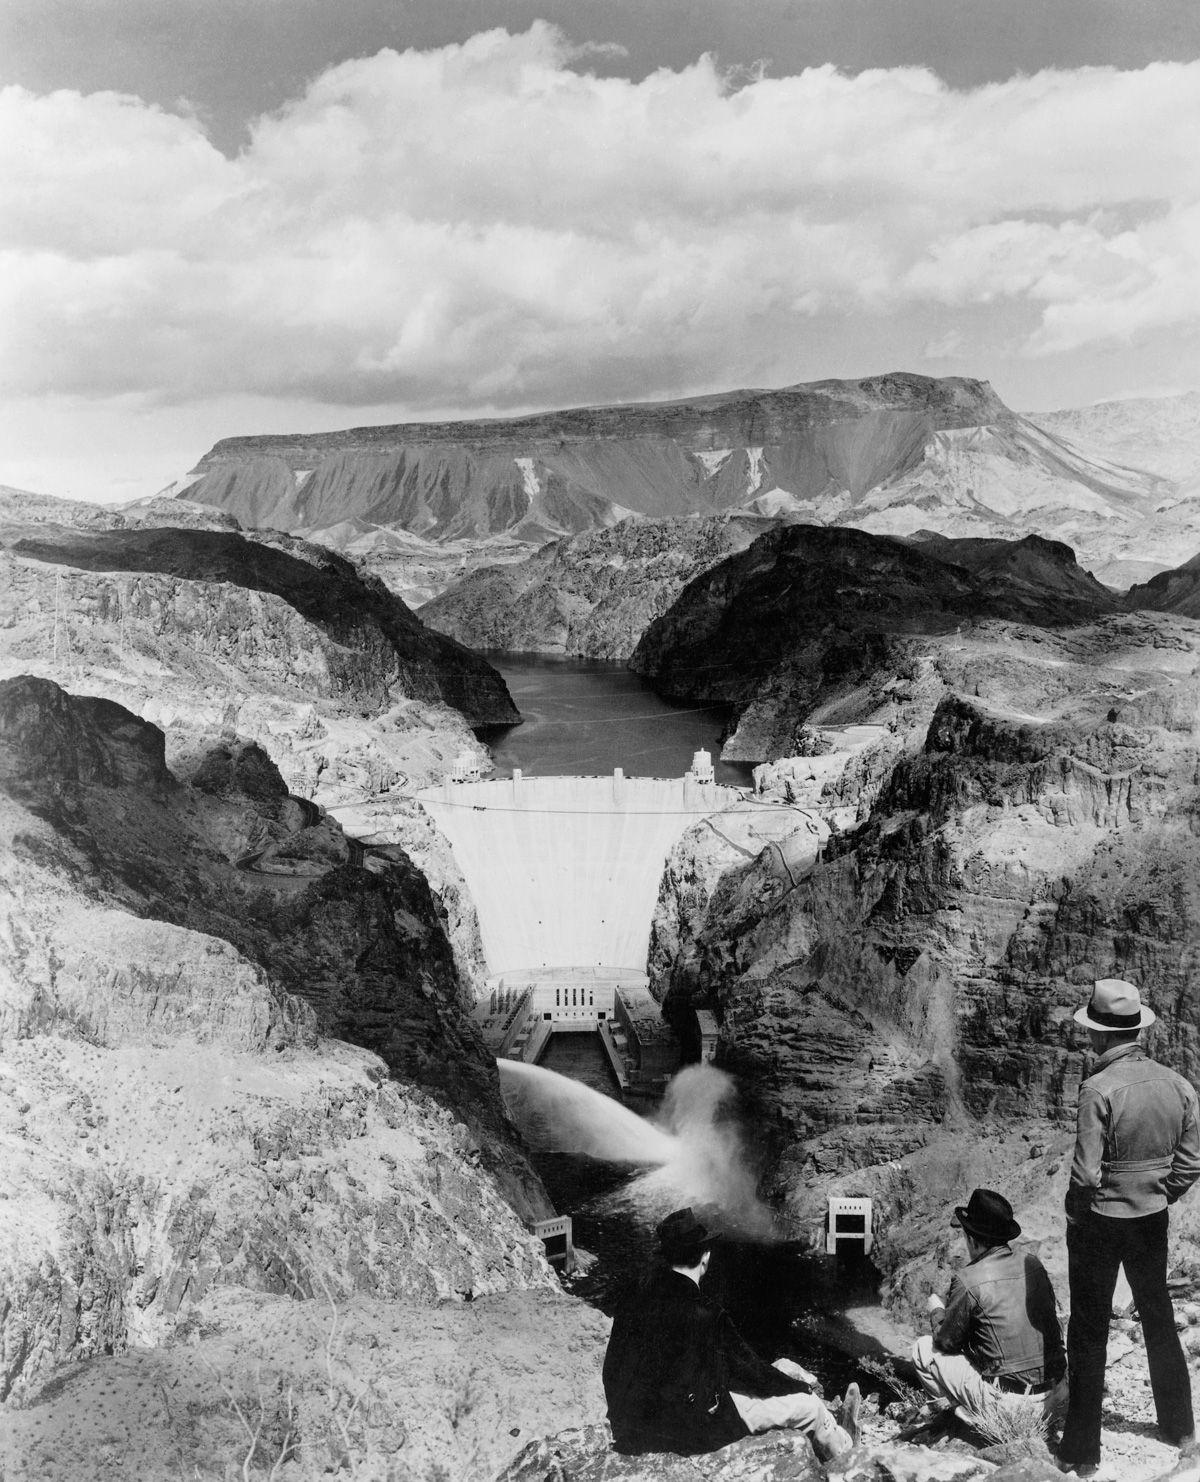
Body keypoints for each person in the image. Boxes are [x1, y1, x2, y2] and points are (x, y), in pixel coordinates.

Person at [1057, 979, 1200, 1476]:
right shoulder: (1179, 1084)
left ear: (1098, 1036)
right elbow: (1190, 1162)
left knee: (1089, 1328)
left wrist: (1077, 1216)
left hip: (1100, 1222)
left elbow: (1085, 1174)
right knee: (1157, 1311)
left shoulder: (1097, 1089)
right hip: (1151, 1218)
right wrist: (1161, 1194)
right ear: (1138, 1029)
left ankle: (1081, 1450)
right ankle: (1179, 1425)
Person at [602, 1207, 859, 1461]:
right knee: (810, 1407)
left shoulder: (633, 1299)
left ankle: (840, 1433)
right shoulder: (707, 1313)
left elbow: (612, 1369)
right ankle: (849, 1454)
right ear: (705, 1257)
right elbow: (753, 1374)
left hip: (633, 1426)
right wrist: (802, 1388)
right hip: (689, 1430)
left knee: (775, 1371)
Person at [913, 1188, 1066, 1432]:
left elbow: (946, 1343)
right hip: (1058, 1395)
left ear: (972, 1239)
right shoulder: (1034, 1264)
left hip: (1012, 1406)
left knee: (922, 1349)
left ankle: (965, 1421)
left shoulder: (968, 1279)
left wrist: (936, 1312)